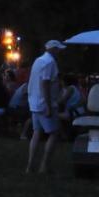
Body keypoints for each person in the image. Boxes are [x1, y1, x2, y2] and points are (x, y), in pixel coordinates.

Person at [26, 40, 66, 173]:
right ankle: (44, 166)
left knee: (36, 133)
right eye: (58, 50)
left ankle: (30, 165)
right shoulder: (50, 63)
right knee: (54, 133)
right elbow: (45, 83)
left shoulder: (38, 60)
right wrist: (49, 106)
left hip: (35, 102)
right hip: (44, 103)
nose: (60, 52)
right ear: (53, 49)